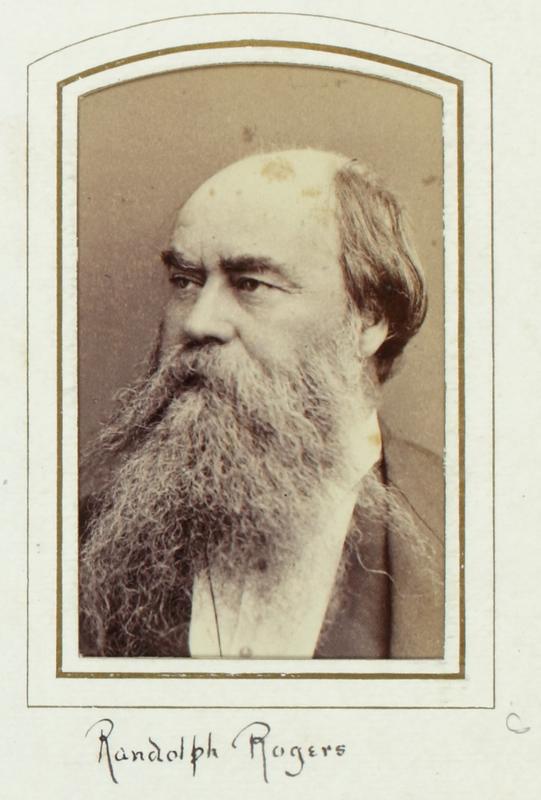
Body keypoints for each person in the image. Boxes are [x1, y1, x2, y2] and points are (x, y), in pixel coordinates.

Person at [79, 148, 444, 660]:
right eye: (185, 281)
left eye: (251, 284)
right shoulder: (75, 543)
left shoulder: (480, 528)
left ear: (369, 319)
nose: (198, 322)